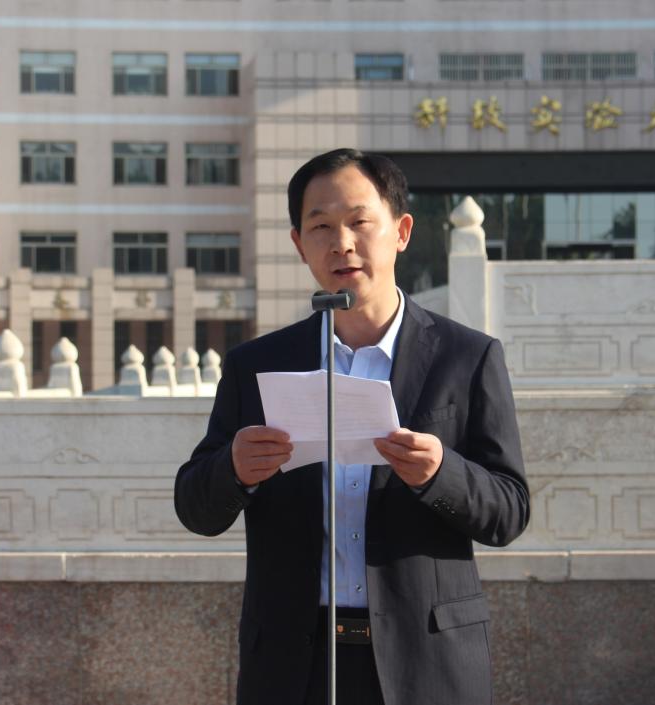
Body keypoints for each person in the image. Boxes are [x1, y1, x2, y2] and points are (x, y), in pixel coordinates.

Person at [175, 148, 529, 705]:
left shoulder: (467, 357)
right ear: (299, 244)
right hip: (294, 664)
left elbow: (509, 511)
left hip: (427, 662)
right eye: (320, 227)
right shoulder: (256, 365)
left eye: (360, 222)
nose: (341, 243)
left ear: (401, 231)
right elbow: (195, 507)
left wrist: (441, 473)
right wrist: (234, 469)